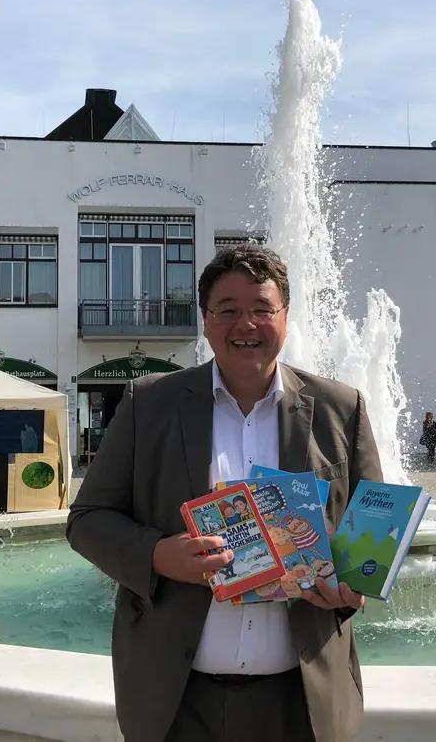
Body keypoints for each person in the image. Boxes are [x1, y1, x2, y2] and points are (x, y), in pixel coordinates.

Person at [67, 244, 385, 742]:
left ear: (286, 316)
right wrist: (158, 556)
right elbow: (87, 519)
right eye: (228, 310)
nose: (246, 325)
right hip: (175, 699)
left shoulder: (341, 408)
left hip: (303, 701)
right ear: (205, 319)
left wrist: (357, 583)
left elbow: (374, 523)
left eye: (262, 309)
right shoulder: (148, 404)